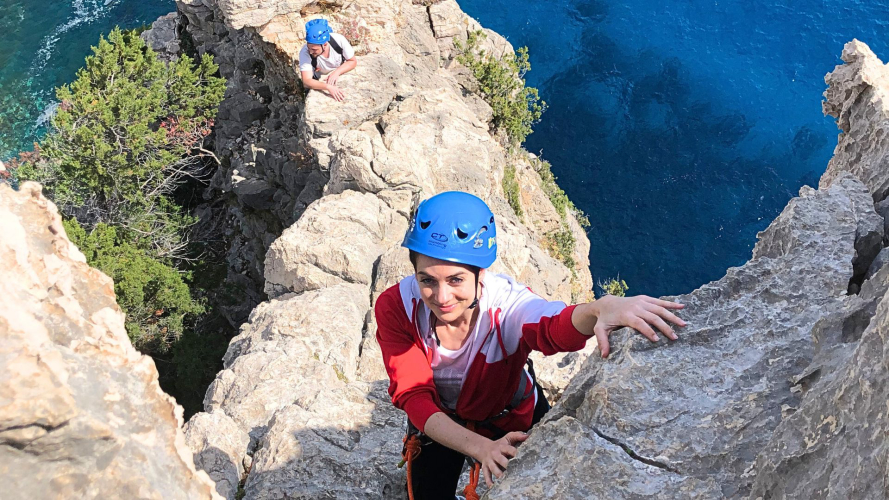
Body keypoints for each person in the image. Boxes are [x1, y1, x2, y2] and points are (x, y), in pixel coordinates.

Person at [375, 191, 687, 499]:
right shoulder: (397, 307)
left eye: (456, 280)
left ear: (480, 273)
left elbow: (551, 326)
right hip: (439, 422)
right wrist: (481, 447)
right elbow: (414, 395)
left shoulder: (505, 307)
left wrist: (596, 310)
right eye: (426, 280)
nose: (441, 298)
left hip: (511, 415)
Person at [298, 19, 358, 103]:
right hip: (319, 79)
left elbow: (352, 61)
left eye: (314, 49)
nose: (311, 52)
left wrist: (337, 72)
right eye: (309, 48)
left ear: (325, 44)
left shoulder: (338, 40)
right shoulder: (305, 52)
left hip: (338, 70)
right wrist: (328, 87)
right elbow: (306, 81)